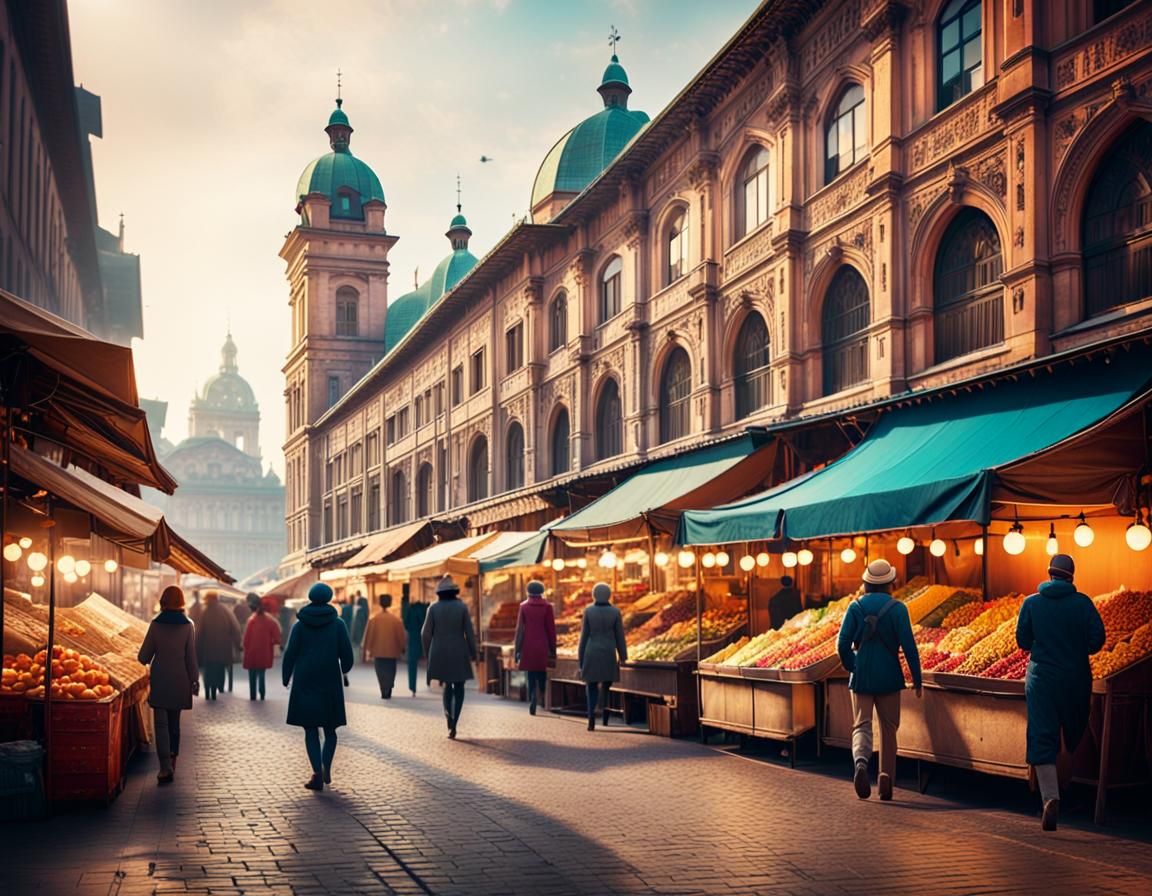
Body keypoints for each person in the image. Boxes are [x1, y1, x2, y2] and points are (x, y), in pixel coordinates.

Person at [1015, 553, 1105, 831]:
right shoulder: (1083, 604)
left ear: (1049, 574)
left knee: (1043, 734)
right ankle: (1068, 785)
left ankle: (1050, 797)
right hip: (1076, 676)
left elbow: (1022, 639)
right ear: (1071, 576)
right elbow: (1097, 640)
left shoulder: (1031, 603)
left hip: (1041, 677)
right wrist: (1075, 649)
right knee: (1073, 729)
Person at [836, 558, 922, 801]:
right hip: (889, 677)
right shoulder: (898, 609)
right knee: (889, 728)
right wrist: (917, 679)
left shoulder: (855, 607)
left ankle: (861, 763)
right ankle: (886, 778)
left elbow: (842, 644)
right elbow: (910, 647)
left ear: (866, 583)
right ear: (890, 583)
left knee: (862, 724)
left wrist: (853, 666)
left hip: (861, 676)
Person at [282, 582, 354, 791]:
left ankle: (317, 772)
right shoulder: (338, 624)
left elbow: (290, 653)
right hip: (329, 680)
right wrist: (345, 669)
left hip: (305, 680)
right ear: (329, 598)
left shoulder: (300, 625)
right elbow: (347, 656)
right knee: (330, 729)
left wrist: (286, 676)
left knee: (310, 729)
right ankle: (326, 765)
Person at [137, 585, 198, 784]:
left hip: (161, 678)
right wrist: (195, 679)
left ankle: (165, 767)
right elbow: (191, 657)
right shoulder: (188, 626)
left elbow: (144, 656)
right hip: (181, 679)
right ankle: (173, 760)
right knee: (174, 723)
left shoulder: (155, 624)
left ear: (163, 601)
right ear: (182, 602)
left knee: (161, 725)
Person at [421, 575, 477, 739]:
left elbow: (425, 634)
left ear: (439, 593)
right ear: (454, 592)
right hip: (459, 650)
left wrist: (428, 653)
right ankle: (455, 721)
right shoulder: (462, 607)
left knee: (446, 685)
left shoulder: (433, 608)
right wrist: (473, 653)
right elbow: (470, 633)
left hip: (439, 651)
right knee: (459, 686)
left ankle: (448, 716)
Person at [578, 582, 628, 731]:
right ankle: (602, 707)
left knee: (591, 685)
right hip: (608, 652)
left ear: (594, 594)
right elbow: (620, 635)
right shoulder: (615, 612)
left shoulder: (588, 611)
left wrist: (580, 657)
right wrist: (623, 655)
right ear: (609, 595)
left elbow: (584, 636)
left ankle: (591, 716)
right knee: (606, 684)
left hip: (591, 651)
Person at [514, 580, 556, 715]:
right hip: (543, 644)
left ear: (528, 591)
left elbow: (520, 630)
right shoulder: (547, 607)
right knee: (542, 672)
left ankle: (532, 695)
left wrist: (517, 649)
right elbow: (551, 629)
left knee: (530, 674)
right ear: (542, 592)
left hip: (528, 645)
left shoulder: (523, 607)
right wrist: (553, 649)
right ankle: (541, 695)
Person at [196, 590, 242, 701]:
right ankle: (218, 688)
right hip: (223, 649)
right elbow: (235, 628)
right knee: (220, 668)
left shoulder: (205, 612)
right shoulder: (225, 610)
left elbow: (199, 632)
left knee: (209, 670)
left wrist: (196, 648)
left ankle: (209, 690)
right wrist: (237, 645)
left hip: (208, 649)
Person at [362, 594, 407, 699]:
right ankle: (389, 686)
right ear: (390, 603)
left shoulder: (374, 619)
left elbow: (369, 635)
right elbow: (401, 636)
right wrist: (402, 647)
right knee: (391, 670)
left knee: (380, 670)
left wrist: (366, 648)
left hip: (378, 651)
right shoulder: (396, 620)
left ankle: (383, 688)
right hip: (392, 651)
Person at [242, 592, 281, 701]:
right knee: (261, 674)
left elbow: (246, 639)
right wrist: (273, 642)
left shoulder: (251, 621)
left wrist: (244, 648)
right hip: (264, 653)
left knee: (252, 675)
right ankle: (262, 694)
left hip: (251, 653)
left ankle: (252, 695)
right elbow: (277, 637)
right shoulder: (270, 621)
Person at [401, 593, 429, 697]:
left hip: (413, 639)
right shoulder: (426, 609)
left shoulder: (410, 609)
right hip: (425, 638)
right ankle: (429, 681)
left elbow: (406, 624)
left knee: (412, 664)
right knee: (429, 662)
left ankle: (413, 688)